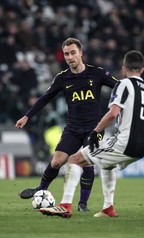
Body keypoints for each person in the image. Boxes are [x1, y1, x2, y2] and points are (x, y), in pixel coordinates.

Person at [40, 50, 144, 218]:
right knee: (106, 164)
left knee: (74, 159)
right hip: (143, 148)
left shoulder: (123, 85)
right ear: (142, 70)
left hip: (124, 143)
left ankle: (65, 205)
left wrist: (96, 131)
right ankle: (108, 208)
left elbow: (112, 114)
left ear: (124, 69)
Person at [15, 37, 118, 211]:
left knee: (86, 162)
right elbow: (45, 98)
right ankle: (41, 190)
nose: (70, 57)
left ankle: (82, 204)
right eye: (66, 54)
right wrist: (27, 116)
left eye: (73, 53)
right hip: (72, 128)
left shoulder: (97, 73)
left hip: (94, 128)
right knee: (56, 162)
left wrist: (133, 94)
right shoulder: (62, 78)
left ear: (80, 53)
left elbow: (119, 86)